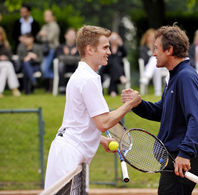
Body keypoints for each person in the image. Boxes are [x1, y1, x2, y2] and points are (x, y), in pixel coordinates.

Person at [44, 25, 141, 192]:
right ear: (90, 49)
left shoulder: (84, 76)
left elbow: (80, 121)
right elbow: (103, 123)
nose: (109, 51)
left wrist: (101, 140)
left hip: (71, 155)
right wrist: (130, 104)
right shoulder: (87, 79)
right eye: (105, 47)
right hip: (69, 158)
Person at [122, 24, 198, 195]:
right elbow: (162, 112)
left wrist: (185, 154)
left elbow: (196, 119)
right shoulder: (176, 76)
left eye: (156, 49)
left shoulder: (185, 77)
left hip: (181, 158)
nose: (153, 54)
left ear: (169, 50)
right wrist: (137, 103)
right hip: (174, 158)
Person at [139, 28, 168, 96]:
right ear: (147, 38)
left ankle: (146, 77)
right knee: (154, 62)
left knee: (154, 60)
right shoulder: (143, 48)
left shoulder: (159, 47)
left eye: (153, 37)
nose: (152, 38)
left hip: (161, 66)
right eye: (150, 37)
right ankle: (157, 92)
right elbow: (144, 59)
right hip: (148, 67)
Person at [37, 9, 60, 92]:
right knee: (47, 68)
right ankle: (50, 87)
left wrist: (43, 34)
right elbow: (38, 37)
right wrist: (43, 34)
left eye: (48, 15)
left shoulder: (54, 26)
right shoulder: (45, 26)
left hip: (52, 50)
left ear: (52, 16)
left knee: (45, 67)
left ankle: (51, 86)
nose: (46, 17)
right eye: (45, 15)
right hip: (45, 50)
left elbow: (49, 38)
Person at [98, 32, 127, 97]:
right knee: (113, 62)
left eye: (115, 38)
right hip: (106, 67)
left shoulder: (120, 48)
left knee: (114, 69)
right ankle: (121, 76)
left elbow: (125, 54)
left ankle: (112, 91)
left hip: (114, 70)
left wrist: (121, 44)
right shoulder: (108, 46)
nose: (114, 39)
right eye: (113, 38)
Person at [55, 27, 80, 94]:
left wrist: (67, 56)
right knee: (60, 65)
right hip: (64, 68)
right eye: (70, 35)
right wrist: (71, 55)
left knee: (79, 65)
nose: (72, 37)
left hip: (75, 68)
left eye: (73, 35)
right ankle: (62, 89)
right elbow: (60, 58)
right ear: (66, 36)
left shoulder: (78, 47)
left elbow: (80, 59)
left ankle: (77, 89)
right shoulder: (60, 47)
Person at [0, 27, 21, 97]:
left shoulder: (6, 45)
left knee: (6, 68)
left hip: (4, 65)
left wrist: (6, 58)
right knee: (8, 65)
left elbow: (10, 56)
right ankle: (14, 88)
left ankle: (0, 91)